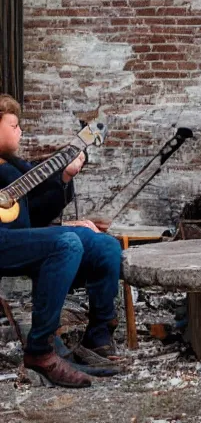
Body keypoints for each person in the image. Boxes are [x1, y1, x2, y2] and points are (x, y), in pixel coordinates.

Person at [0, 94, 122, 388]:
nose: (20, 131)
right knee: (67, 243)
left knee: (103, 244)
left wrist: (65, 177)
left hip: (16, 241)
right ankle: (40, 352)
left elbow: (35, 217)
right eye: (14, 125)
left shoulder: (18, 168)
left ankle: (97, 335)